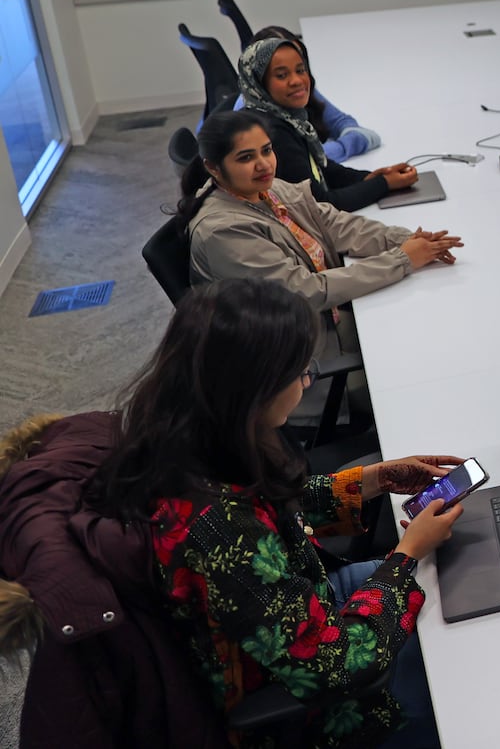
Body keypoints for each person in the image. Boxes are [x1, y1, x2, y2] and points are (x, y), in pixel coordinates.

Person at [81, 278, 466, 748]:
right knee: (471, 687)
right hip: (313, 706)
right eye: (298, 371)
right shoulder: (215, 530)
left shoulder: (191, 437)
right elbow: (335, 667)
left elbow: (269, 512)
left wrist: (375, 480)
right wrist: (406, 555)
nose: (307, 382)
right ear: (254, 387)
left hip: (300, 601)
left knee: (457, 583)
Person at [178, 109, 462, 313]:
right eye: (246, 157)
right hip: (291, 349)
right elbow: (305, 292)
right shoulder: (222, 232)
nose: (264, 164)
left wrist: (409, 240)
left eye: (266, 150)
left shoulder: (268, 188)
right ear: (213, 167)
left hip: (320, 315)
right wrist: (402, 260)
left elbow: (335, 223)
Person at [237, 33, 416, 212]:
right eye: (282, 75)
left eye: (300, 70)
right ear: (259, 83)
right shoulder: (272, 132)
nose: (297, 81)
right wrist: (383, 185)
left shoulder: (287, 117)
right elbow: (319, 205)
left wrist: (371, 178)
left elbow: (325, 169)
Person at [235, 24, 384, 163]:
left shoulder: (297, 90)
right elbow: (294, 161)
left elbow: (353, 128)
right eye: (282, 73)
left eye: (299, 67)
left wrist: (333, 149)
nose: (296, 79)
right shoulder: (252, 113)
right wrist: (339, 148)